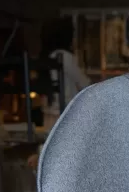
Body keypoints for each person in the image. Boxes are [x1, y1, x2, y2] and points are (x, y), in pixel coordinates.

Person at [28, 17, 90, 167]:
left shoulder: (45, 57)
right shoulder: (65, 57)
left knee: (53, 154)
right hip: (67, 115)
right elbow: (85, 83)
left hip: (49, 114)